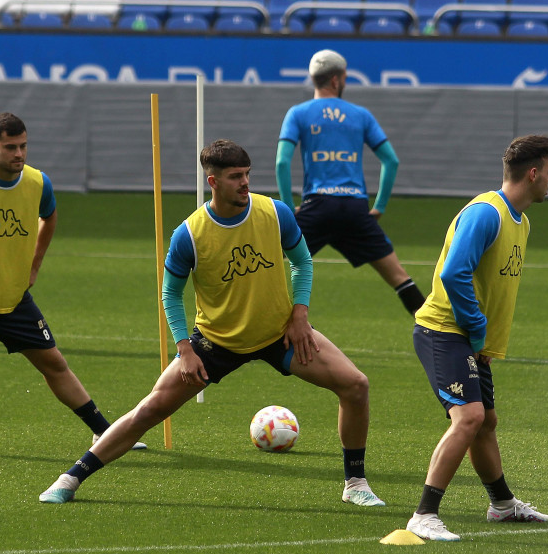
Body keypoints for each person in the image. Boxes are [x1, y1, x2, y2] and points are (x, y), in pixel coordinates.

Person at [40, 139, 384, 507]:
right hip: (215, 343)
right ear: (213, 181)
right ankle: (70, 478)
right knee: (150, 410)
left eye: (248, 174)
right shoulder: (190, 233)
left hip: (279, 333)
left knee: (356, 385)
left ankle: (355, 483)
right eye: (236, 176)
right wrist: (184, 349)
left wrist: (300, 314)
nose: (245, 182)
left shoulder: (276, 212)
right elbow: (170, 293)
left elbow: (302, 261)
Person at [0, 112, 145, 454]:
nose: (19, 154)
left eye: (23, 146)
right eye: (10, 147)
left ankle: (103, 432)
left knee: (55, 364)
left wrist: (35, 263)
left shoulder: (38, 182)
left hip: (13, 296)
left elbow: (49, 216)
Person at [405, 135, 548, 542]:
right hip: (444, 331)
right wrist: (476, 329)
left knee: (485, 422)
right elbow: (453, 273)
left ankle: (503, 506)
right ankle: (423, 514)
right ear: (532, 173)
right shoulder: (486, 214)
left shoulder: (521, 221)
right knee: (469, 418)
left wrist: (484, 343)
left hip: (471, 340)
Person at [275, 49, 426, 316]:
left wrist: (288, 207)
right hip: (355, 210)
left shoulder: (297, 114)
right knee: (399, 277)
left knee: (268, 267)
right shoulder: (360, 115)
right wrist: (378, 206)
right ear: (335, 80)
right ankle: (438, 334)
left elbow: (282, 162)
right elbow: (391, 161)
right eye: (344, 77)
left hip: (317, 208)